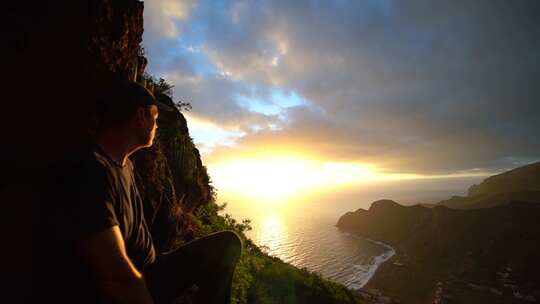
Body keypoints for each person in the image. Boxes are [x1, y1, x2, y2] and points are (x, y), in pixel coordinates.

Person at [34, 79, 241, 304]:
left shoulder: (125, 165)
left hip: (152, 269)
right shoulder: (90, 171)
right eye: (155, 117)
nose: (157, 125)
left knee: (227, 244)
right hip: (136, 283)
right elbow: (115, 275)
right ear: (141, 117)